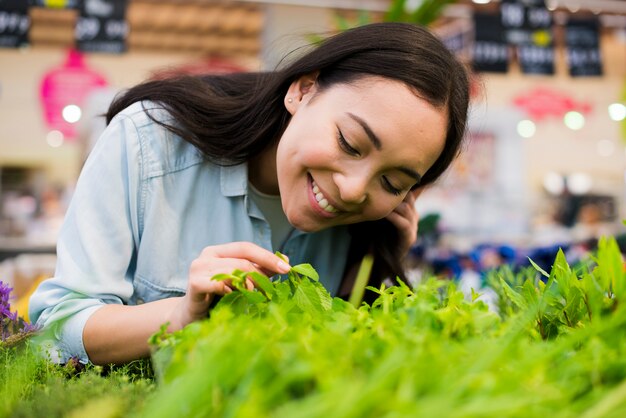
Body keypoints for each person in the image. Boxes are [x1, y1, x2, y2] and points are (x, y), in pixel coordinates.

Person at [29, 22, 470, 365]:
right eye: (350, 144)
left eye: (392, 182)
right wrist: (182, 316)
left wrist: (380, 269)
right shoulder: (149, 141)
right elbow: (55, 326)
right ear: (303, 90)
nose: (354, 190)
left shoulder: (367, 230)